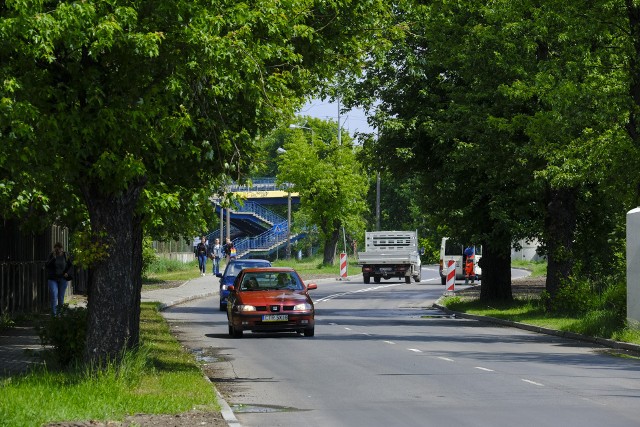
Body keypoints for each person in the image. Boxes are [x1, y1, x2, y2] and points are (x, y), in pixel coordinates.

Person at [45, 242, 73, 316]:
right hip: (52, 278)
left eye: (60, 249)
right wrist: (53, 258)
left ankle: (60, 314)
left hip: (63, 279)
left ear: (62, 249)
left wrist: (67, 272)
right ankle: (54, 315)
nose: (58, 251)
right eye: (56, 249)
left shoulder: (66, 255)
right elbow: (47, 265)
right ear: (54, 249)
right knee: (54, 295)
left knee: (61, 297)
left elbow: (71, 265)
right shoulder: (51, 255)